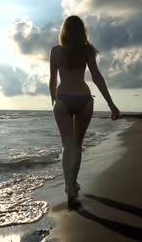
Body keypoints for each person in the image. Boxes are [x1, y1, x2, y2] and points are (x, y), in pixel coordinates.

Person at [49, 15, 120, 210]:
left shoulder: (55, 51)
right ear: (82, 32)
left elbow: (52, 80)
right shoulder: (87, 50)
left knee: (67, 146)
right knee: (77, 145)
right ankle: (73, 184)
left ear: (63, 31)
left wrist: (54, 102)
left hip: (63, 99)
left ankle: (69, 188)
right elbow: (96, 76)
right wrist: (111, 104)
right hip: (84, 99)